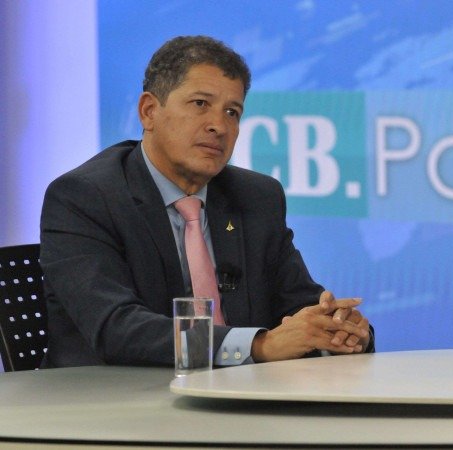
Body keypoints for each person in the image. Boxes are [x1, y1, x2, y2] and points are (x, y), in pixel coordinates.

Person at [39, 35, 373, 368]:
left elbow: (298, 303)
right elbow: (116, 328)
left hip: (238, 393)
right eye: (200, 104)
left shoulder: (257, 197)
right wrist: (258, 345)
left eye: (232, 112)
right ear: (149, 111)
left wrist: (338, 329)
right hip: (115, 394)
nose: (219, 126)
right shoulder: (84, 197)